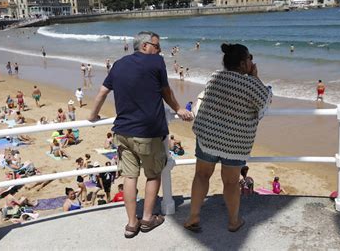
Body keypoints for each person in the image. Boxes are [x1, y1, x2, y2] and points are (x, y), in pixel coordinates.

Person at [88, 31, 193, 238]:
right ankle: (146, 218)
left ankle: (130, 223)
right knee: (153, 175)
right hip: (148, 132)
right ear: (145, 46)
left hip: (122, 132)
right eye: (156, 45)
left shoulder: (118, 64)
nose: (160, 49)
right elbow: (166, 91)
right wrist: (179, 108)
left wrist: (92, 115)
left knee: (129, 176)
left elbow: (102, 92)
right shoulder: (156, 62)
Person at [185, 43, 272, 233]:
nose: (252, 61)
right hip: (235, 142)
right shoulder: (251, 84)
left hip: (208, 138)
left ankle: (193, 216)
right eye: (250, 58)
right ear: (243, 63)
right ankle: (233, 221)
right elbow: (265, 104)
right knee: (231, 183)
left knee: (201, 176)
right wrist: (255, 78)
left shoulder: (215, 77)